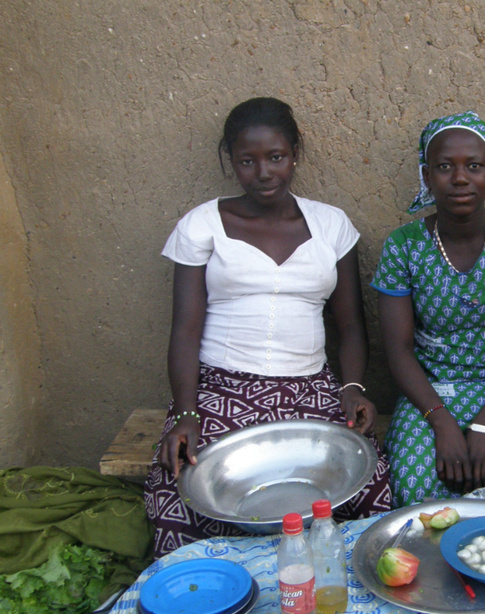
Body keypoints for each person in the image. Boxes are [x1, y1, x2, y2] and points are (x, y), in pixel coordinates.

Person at [144, 97, 391, 559]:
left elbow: (352, 325)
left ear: (295, 153)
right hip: (222, 387)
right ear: (230, 161)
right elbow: (184, 331)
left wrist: (353, 389)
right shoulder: (203, 225)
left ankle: (343, 607)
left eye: (275, 157)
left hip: (310, 387)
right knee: (179, 487)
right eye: (247, 160)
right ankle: (217, 603)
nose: (263, 172)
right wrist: (185, 413)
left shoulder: (330, 225)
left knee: (367, 485)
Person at [371, 111, 485, 507]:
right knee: (415, 488)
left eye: (473, 166)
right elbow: (399, 350)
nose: (459, 178)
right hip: (429, 392)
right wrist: (441, 422)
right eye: (444, 167)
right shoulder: (403, 246)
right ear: (426, 175)